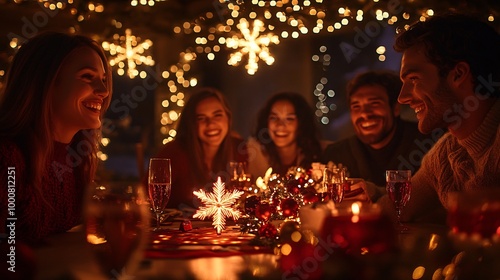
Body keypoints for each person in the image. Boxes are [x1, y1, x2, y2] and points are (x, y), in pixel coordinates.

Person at [0, 31, 112, 244]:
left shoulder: (76, 159)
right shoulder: (8, 158)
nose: (104, 91)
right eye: (87, 76)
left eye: (103, 80)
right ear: (45, 83)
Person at [391, 13, 500, 224]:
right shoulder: (446, 154)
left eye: (414, 79)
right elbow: (396, 210)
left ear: (458, 74)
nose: (403, 98)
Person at [322, 70, 440, 201]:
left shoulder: (429, 144)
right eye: (356, 107)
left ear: (395, 108)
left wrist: (377, 193)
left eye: (374, 103)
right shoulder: (337, 154)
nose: (365, 114)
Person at [154, 87, 247, 209]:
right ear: (191, 123)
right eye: (201, 118)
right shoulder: (174, 152)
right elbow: (147, 198)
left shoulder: (238, 148)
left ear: (228, 118)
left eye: (217, 115)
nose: (210, 124)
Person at [247, 92, 323, 179]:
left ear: (301, 124)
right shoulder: (253, 154)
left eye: (289, 119)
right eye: (274, 118)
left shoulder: (320, 154)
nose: (280, 125)